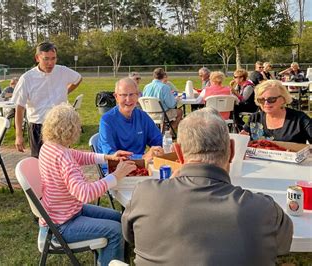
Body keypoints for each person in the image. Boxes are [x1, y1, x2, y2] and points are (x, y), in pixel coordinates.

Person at [122, 108, 293, 265]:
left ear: (179, 153)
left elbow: (130, 236)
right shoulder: (263, 209)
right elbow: (283, 245)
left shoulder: (145, 194)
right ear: (232, 151)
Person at [38, 103, 136, 266]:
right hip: (62, 226)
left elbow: (79, 155)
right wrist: (116, 176)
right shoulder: (65, 160)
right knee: (116, 230)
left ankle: (116, 259)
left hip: (61, 215)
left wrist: (107, 157)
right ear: (71, 130)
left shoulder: (49, 147)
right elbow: (85, 194)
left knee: (120, 219)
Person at [12, 42, 82, 158]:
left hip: (60, 125)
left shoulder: (62, 71)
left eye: (53, 58)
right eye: (46, 59)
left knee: (63, 160)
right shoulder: (27, 78)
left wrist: (66, 91)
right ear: (37, 58)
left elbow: (78, 79)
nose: (50, 63)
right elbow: (19, 108)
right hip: (38, 126)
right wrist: (18, 135)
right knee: (39, 162)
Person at [99, 78, 164, 161]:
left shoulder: (142, 116)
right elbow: (110, 154)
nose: (128, 99)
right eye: (124, 95)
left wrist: (163, 148)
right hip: (117, 168)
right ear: (116, 97)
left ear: (137, 95)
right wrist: (142, 157)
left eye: (131, 94)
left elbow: (158, 140)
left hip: (140, 166)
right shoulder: (107, 120)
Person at [242, 80, 311, 143]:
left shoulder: (300, 119)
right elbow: (243, 142)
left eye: (271, 99)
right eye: (261, 100)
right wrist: (241, 139)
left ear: (283, 99)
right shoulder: (255, 118)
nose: (266, 103)